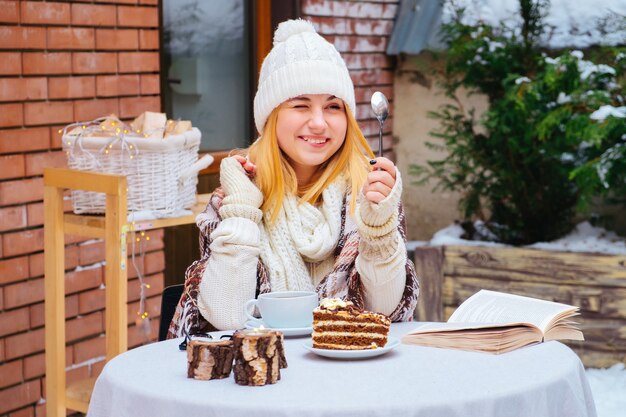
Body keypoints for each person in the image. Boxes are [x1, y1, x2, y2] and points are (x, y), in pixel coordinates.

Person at [168, 19, 419, 336]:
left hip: (351, 371)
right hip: (262, 374)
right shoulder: (236, 197)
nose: (319, 123)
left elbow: (384, 311)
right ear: (271, 118)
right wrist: (244, 208)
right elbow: (227, 316)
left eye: (332, 106)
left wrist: (379, 228)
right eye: (301, 105)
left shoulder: (369, 193)